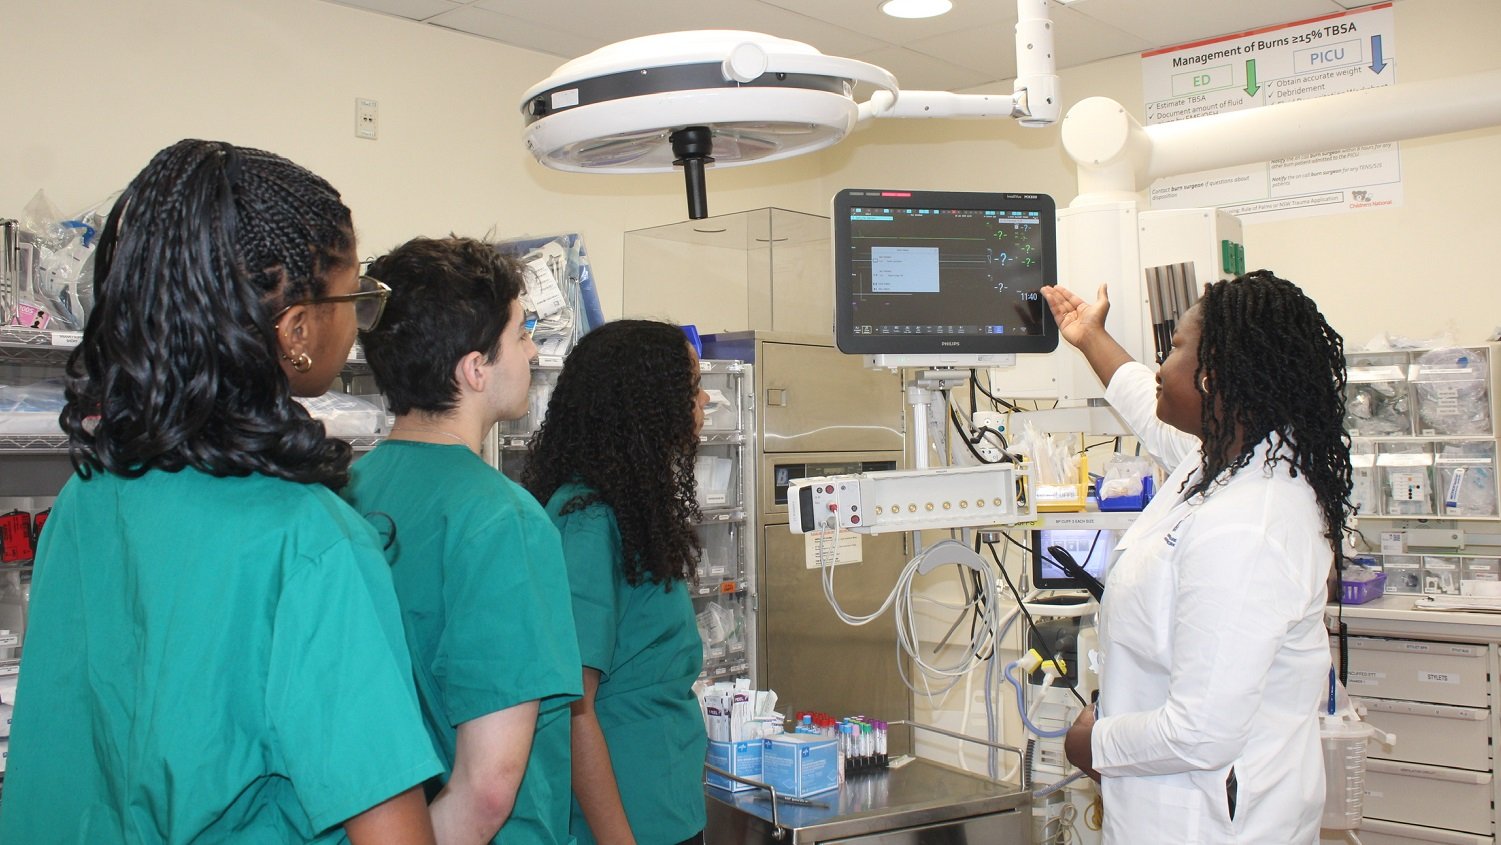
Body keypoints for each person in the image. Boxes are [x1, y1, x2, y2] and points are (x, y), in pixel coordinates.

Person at [0, 140, 440, 843]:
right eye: (357, 298)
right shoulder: (312, 540)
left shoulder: (91, 497)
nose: (361, 320)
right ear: (297, 330)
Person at [1047, 271, 1352, 844]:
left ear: (1212, 379)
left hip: (1213, 821)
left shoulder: (1248, 524)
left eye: (1176, 349)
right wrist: (1089, 336)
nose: (1160, 365)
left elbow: (1201, 733)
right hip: (1172, 806)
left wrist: (1092, 742)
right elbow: (1146, 396)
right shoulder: (1224, 459)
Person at [343, 236, 583, 845]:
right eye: (521, 333)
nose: (532, 350)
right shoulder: (504, 522)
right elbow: (487, 788)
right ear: (476, 368)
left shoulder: (343, 491)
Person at [522, 320, 711, 845]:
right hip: (626, 823)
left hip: (665, 805)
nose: (705, 398)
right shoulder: (589, 521)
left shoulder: (630, 509)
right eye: (691, 386)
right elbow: (573, 708)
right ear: (645, 403)